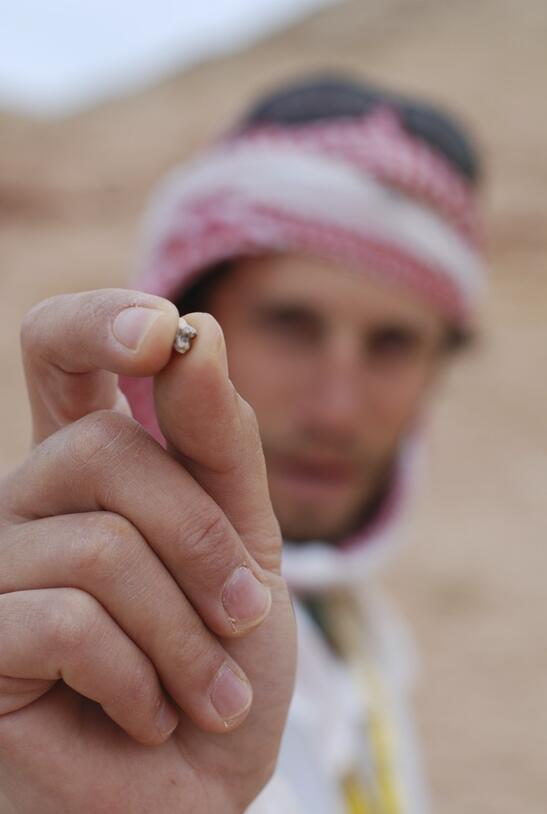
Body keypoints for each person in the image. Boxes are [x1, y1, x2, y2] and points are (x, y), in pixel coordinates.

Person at [0, 75, 484, 813]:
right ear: (189, 319)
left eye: (391, 344)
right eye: (291, 325)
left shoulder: (364, 635)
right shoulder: (56, 654)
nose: (335, 410)